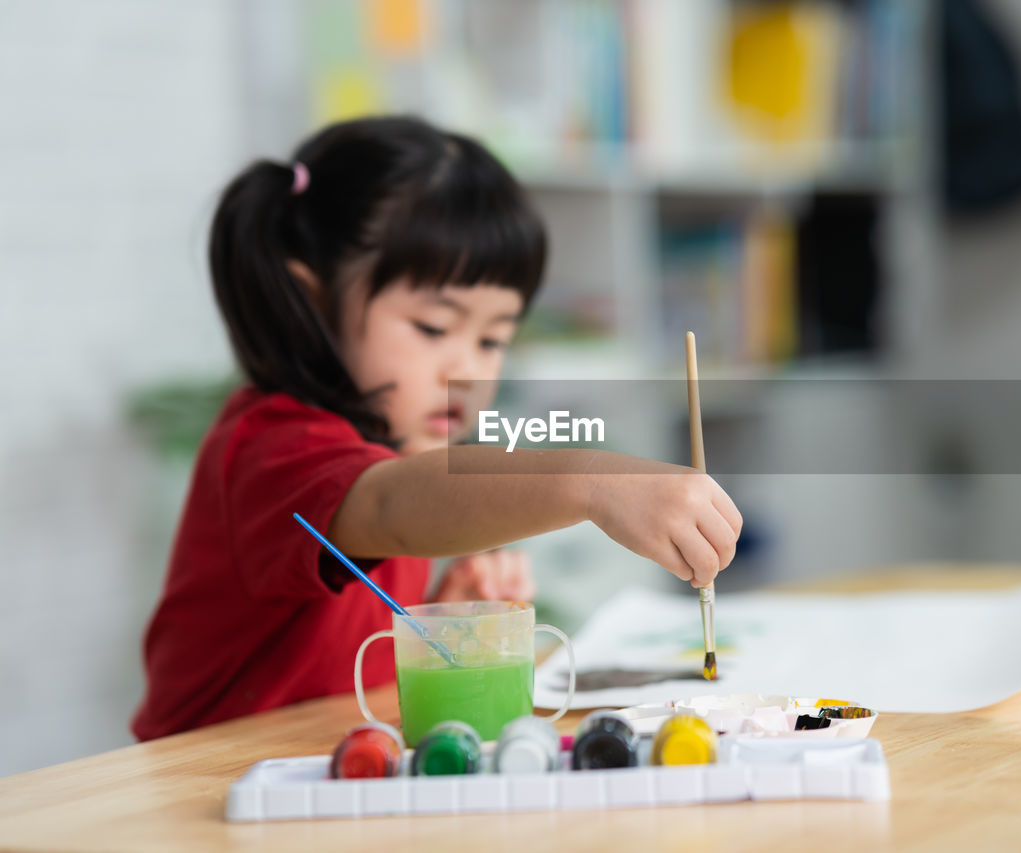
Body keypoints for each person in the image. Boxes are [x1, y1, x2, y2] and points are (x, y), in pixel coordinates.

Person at [131, 116, 741, 741]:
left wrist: (442, 621)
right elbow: (392, 501)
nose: (467, 368)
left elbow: (335, 666)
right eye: (432, 328)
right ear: (312, 301)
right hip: (198, 792)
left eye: (493, 339)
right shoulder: (274, 445)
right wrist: (594, 481)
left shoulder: (381, 448)